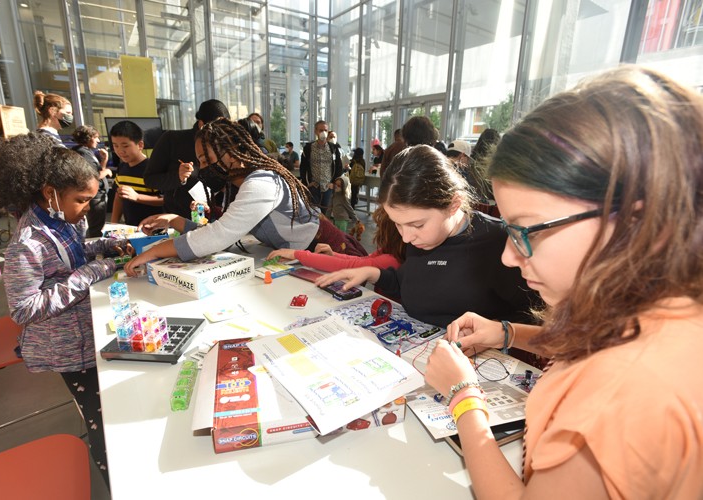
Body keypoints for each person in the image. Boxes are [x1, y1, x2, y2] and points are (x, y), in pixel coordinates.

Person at [424, 66, 703, 498]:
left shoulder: (617, 393)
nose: (508, 256)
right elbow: (597, 343)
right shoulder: (674, 309)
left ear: (632, 219)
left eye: (526, 230)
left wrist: (463, 397)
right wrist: (508, 332)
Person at [0, 132, 132, 488]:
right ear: (50, 193)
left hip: (85, 331)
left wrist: (105, 245)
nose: (87, 209)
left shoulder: (63, 219)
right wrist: (92, 272)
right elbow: (24, 309)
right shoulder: (25, 245)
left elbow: (75, 250)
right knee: (101, 419)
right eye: (81, 200)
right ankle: (117, 484)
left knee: (111, 404)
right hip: (66, 348)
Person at [315, 144, 538, 329]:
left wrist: (501, 332)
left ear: (453, 204)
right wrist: (374, 274)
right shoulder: (422, 237)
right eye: (398, 225)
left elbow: (537, 319)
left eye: (417, 225)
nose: (406, 238)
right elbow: (414, 284)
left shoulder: (499, 243)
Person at [123, 119, 366, 276]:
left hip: (328, 252)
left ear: (232, 153)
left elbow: (219, 236)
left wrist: (154, 251)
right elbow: (225, 231)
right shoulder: (236, 187)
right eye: (201, 162)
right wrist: (175, 220)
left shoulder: (261, 183)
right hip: (300, 255)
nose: (203, 168)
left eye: (207, 160)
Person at [268, 205, 404, 299]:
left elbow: (354, 265)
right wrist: (333, 254)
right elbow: (361, 260)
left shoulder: (391, 260)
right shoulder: (392, 252)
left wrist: (296, 254)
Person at [144, 99, 230, 218]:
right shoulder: (172, 140)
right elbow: (150, 179)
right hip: (177, 216)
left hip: (214, 215)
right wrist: (178, 177)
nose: (220, 133)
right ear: (201, 124)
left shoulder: (225, 143)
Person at [109, 120, 163, 226]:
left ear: (140, 145)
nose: (120, 151)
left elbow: (166, 199)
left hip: (154, 228)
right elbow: (118, 197)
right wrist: (113, 224)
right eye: (115, 146)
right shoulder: (122, 167)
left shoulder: (154, 168)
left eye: (125, 146)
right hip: (131, 228)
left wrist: (137, 197)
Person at [72, 125, 112, 237]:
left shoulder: (86, 152)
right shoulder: (83, 153)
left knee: (97, 225)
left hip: (97, 195)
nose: (98, 140)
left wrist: (104, 160)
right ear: (89, 137)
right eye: (96, 137)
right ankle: (97, 251)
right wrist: (107, 171)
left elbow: (98, 171)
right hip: (96, 197)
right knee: (97, 227)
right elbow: (91, 176)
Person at [300, 120, 344, 214]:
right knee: (313, 213)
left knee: (324, 214)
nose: (323, 132)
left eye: (325, 130)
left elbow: (339, 167)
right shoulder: (308, 148)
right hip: (313, 186)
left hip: (327, 187)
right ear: (316, 131)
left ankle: (323, 229)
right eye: (321, 130)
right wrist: (306, 183)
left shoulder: (333, 149)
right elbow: (303, 167)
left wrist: (334, 183)